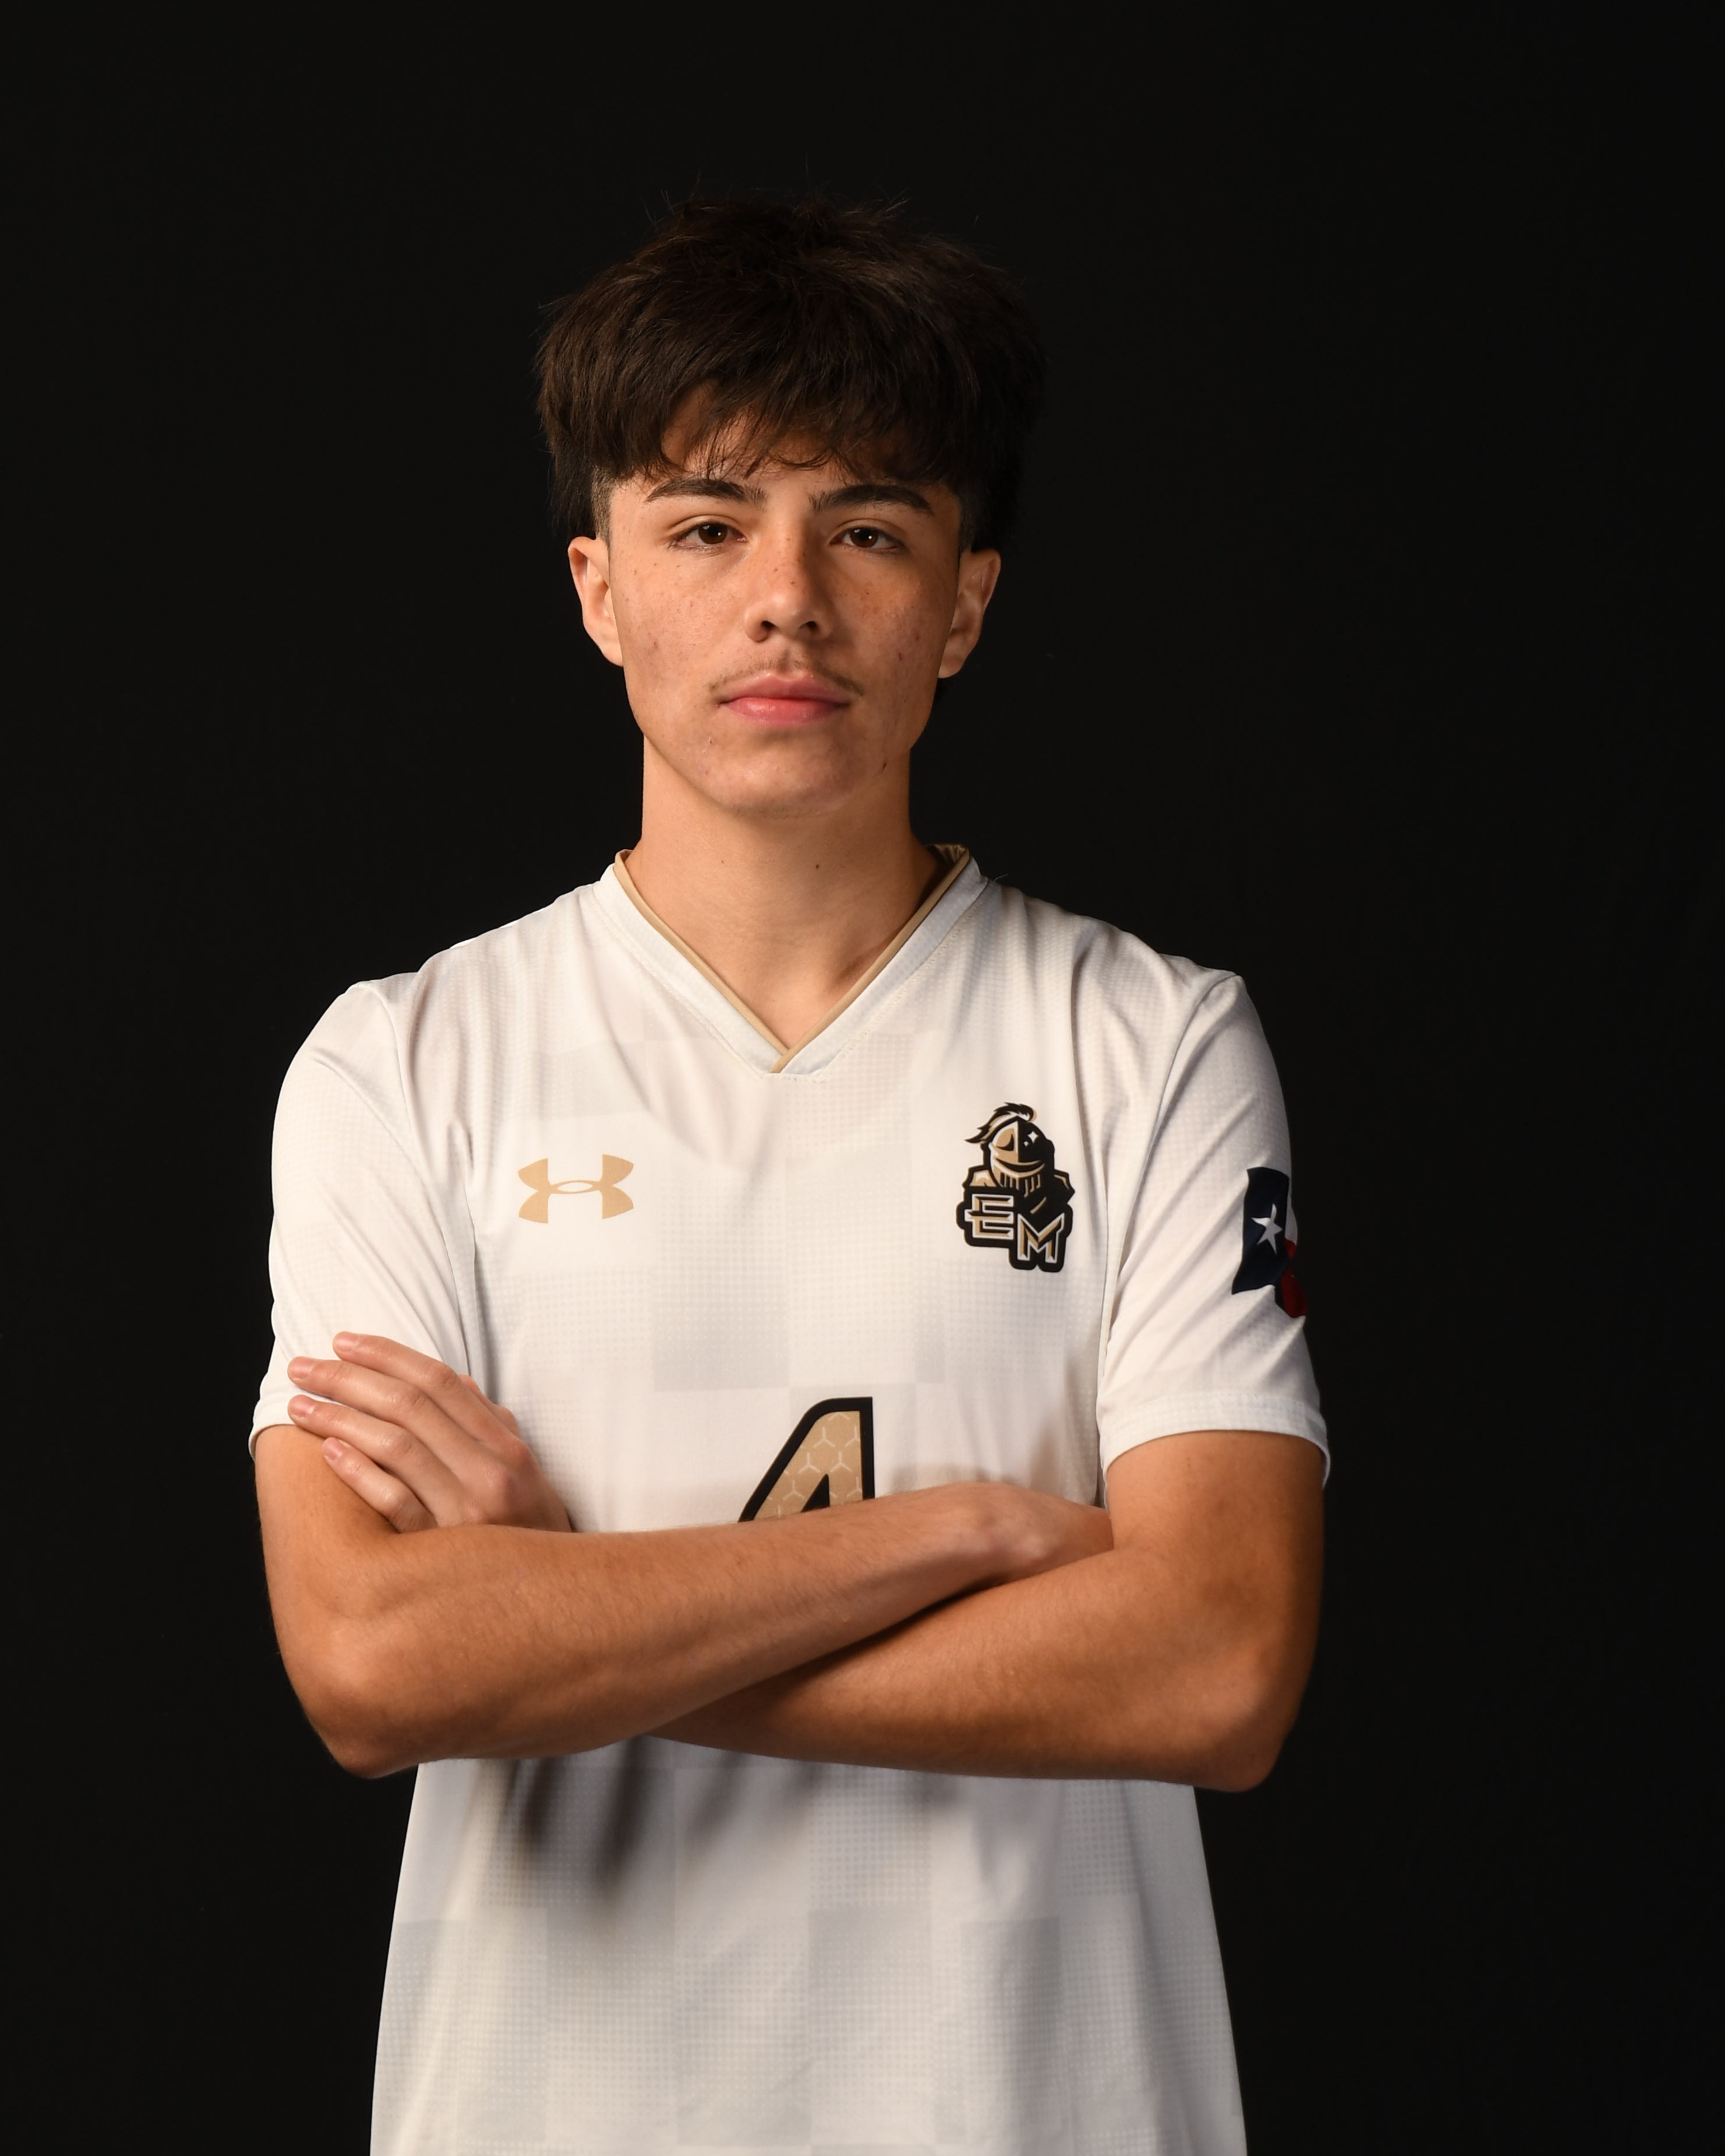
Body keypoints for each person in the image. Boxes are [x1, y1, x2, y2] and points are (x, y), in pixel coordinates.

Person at [252, 196, 1327, 2155]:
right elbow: (375, 1662)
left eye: (869, 530)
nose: (787, 601)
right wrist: (963, 1532)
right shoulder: (403, 1062)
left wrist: (563, 1617)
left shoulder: (1153, 1042)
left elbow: (1218, 1663)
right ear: (598, 588)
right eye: (706, 525)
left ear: (965, 603)